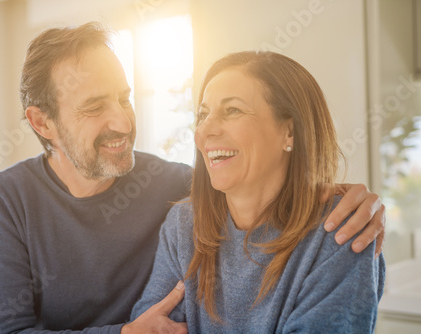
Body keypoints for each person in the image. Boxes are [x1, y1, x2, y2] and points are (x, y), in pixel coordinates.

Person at [0, 22, 385, 333]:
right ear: (42, 123)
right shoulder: (9, 199)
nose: (122, 120)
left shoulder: (177, 188)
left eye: (124, 98)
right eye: (94, 106)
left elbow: (260, 188)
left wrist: (349, 199)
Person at [130, 51, 386, 333]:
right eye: (203, 115)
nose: (206, 131)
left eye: (232, 110)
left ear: (289, 131)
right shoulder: (182, 226)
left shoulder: (342, 231)